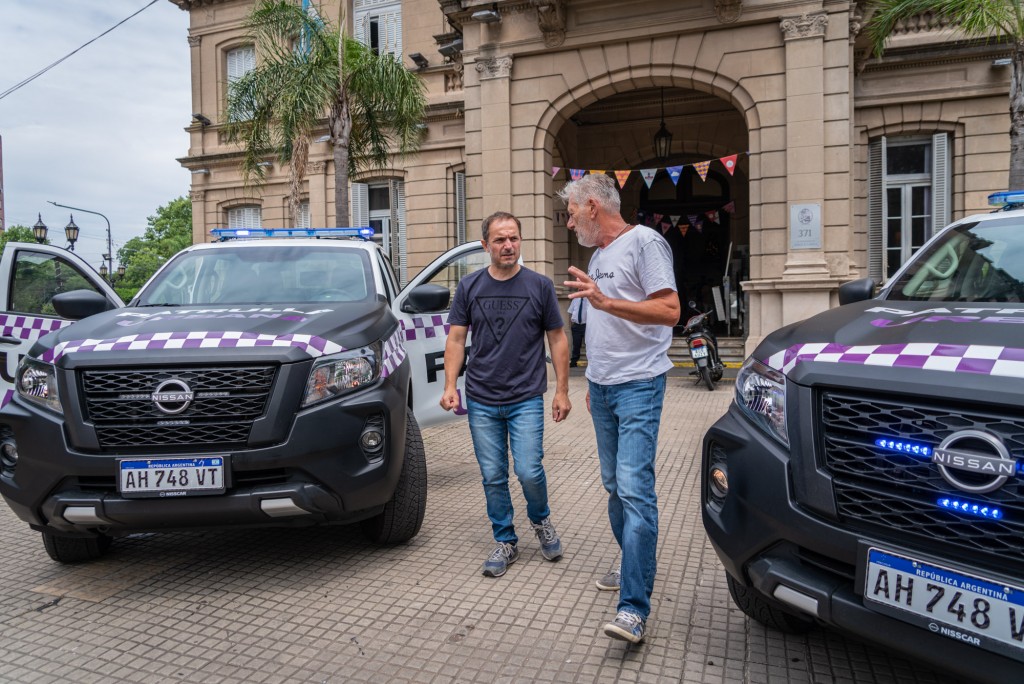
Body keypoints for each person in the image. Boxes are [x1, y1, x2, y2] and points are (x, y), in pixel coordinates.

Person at [557, 173, 680, 644]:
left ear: (592, 206)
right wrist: (589, 379)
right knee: (613, 485)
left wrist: (607, 301)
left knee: (633, 489)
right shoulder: (599, 255)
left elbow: (669, 310)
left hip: (639, 386)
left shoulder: (645, 243)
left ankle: (633, 608)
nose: (569, 223)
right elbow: (598, 327)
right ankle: (633, 562)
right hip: (604, 388)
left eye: (571, 213)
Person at [441, 211, 572, 578]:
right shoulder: (469, 287)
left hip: (526, 397)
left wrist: (562, 390)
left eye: (513, 238)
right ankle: (506, 539)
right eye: (499, 240)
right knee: (493, 474)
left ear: (520, 241)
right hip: (482, 397)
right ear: (486, 245)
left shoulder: (540, 286)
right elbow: (456, 339)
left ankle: (541, 521)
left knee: (529, 470)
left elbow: (557, 339)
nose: (508, 245)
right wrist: (450, 385)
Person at [567, 296, 587, 367]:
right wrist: (571, 325)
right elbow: (570, 312)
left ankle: (592, 362)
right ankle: (574, 362)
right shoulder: (575, 300)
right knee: (576, 344)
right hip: (576, 326)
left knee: (588, 344)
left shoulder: (589, 301)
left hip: (586, 326)